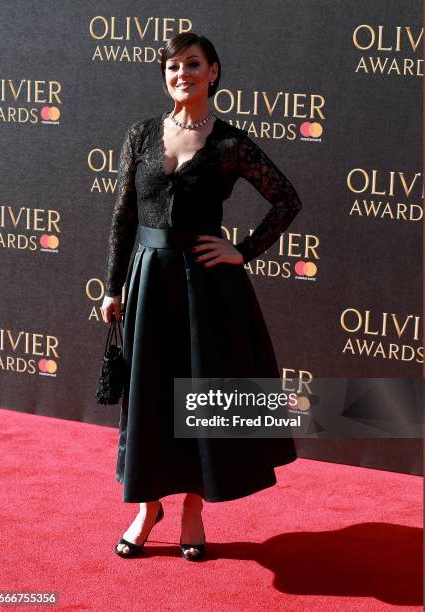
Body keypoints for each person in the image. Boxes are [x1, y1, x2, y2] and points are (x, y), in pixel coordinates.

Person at [100, 32, 303, 561]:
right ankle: (147, 508)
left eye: (192, 64)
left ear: (213, 71)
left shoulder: (230, 143)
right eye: (171, 67)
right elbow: (123, 216)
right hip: (147, 282)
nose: (181, 74)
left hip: (203, 288)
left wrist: (244, 249)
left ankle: (193, 507)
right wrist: (112, 285)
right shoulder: (140, 135)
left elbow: (287, 199)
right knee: (146, 397)